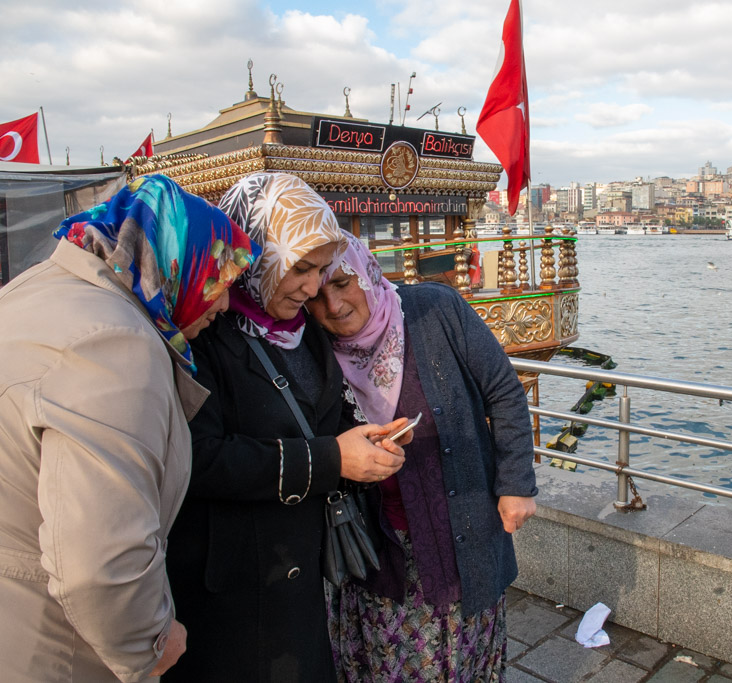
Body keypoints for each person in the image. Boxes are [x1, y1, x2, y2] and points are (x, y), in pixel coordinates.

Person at [0, 175, 259, 682]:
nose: (225, 306)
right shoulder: (118, 343)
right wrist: (151, 642)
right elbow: (100, 565)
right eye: (217, 280)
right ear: (174, 262)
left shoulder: (32, 292)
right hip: (57, 649)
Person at [163, 172, 409, 682]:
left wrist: (367, 441)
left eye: (321, 271)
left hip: (301, 584)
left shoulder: (305, 330)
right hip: (232, 592)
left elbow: (320, 416)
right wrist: (332, 459)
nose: (313, 287)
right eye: (300, 268)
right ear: (257, 256)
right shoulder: (205, 333)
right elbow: (199, 458)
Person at [306, 232, 538, 681]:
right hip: (379, 554)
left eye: (342, 283)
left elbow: (505, 393)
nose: (333, 306)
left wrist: (515, 485)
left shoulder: (436, 309)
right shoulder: (314, 351)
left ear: (367, 273)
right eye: (316, 296)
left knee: (466, 661)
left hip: (463, 541)